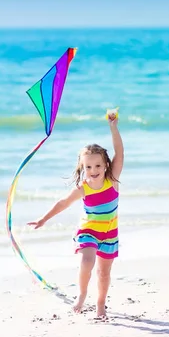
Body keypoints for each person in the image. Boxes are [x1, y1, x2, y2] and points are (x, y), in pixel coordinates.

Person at [28, 112, 124, 318]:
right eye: (88, 166)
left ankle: (100, 304)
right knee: (87, 261)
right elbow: (62, 203)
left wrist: (113, 128)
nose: (93, 170)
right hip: (88, 231)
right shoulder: (83, 187)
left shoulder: (112, 180)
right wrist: (44, 219)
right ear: (83, 167)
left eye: (98, 165)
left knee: (104, 273)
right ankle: (81, 294)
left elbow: (120, 152)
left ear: (106, 164)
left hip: (109, 233)